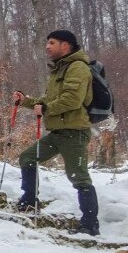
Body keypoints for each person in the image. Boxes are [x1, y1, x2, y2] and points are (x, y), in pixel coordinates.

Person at [12, 29, 100, 236]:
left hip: (74, 133)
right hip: (58, 132)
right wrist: (25, 101)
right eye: (47, 42)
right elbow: (46, 102)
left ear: (65, 45)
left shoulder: (78, 67)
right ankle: (29, 202)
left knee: (79, 177)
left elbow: (73, 99)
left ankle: (90, 224)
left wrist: (47, 108)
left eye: (52, 42)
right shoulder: (60, 70)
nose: (47, 47)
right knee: (27, 158)